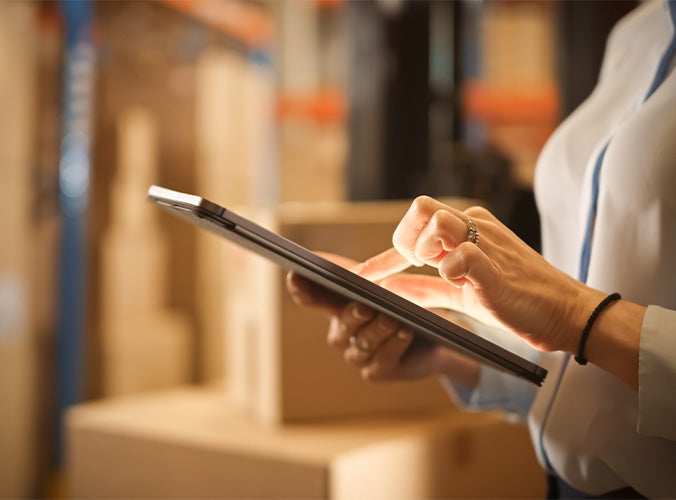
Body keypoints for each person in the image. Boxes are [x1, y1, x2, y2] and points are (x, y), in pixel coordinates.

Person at [286, 0, 676, 497]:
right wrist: (451, 346)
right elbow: (595, 385)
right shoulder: (638, 31)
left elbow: (582, 328)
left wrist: (573, 312)